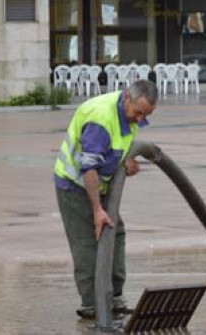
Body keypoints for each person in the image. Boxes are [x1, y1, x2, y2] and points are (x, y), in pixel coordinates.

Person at [53, 80, 158, 319]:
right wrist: (98, 210)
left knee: (115, 232)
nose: (140, 119)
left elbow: (117, 143)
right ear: (126, 99)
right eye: (139, 112)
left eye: (147, 115)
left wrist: (125, 160)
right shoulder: (100, 119)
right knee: (88, 241)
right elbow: (88, 168)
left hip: (100, 182)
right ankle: (93, 304)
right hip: (75, 184)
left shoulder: (129, 113)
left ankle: (114, 295)